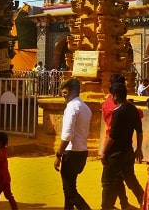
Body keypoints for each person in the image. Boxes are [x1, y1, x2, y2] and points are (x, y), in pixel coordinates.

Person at [101, 74, 144, 209]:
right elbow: (140, 123)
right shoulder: (131, 108)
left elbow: (112, 135)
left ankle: (108, 206)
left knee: (109, 181)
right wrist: (139, 148)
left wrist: (103, 152)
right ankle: (141, 200)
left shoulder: (108, 105)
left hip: (112, 146)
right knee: (129, 178)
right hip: (127, 147)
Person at [54, 78, 92, 210]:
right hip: (82, 151)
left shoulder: (71, 107)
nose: (63, 95)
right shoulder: (86, 108)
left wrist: (58, 154)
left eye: (65, 92)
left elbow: (67, 134)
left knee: (70, 191)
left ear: (72, 92)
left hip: (71, 152)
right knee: (69, 188)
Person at [0, 132, 18, 210]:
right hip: (5, 178)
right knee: (8, 195)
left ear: (0, 143)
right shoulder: (0, 150)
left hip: (0, 179)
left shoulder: (0, 152)